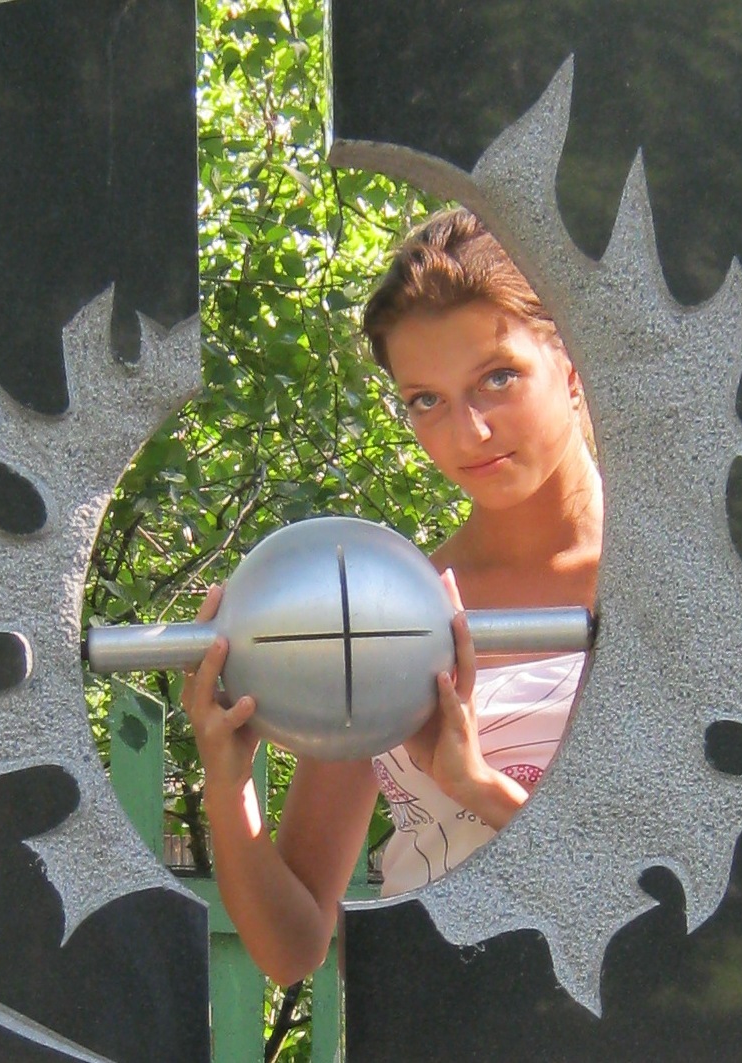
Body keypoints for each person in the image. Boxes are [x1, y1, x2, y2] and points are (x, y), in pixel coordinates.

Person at [182, 207, 602, 987]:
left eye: (498, 378)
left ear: (573, 364)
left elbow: (680, 890)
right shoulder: (388, 611)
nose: (467, 433)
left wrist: (475, 788)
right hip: (443, 1020)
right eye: (425, 399)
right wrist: (229, 783)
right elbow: (292, 947)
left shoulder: (668, 590)